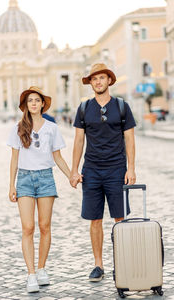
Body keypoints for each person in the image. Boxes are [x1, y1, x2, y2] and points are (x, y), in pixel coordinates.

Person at [70, 63, 136, 282]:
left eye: (101, 78)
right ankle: (98, 264)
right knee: (95, 219)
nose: (98, 82)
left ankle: (123, 262)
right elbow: (79, 140)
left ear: (109, 80)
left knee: (120, 218)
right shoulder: (83, 108)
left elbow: (130, 139)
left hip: (117, 169)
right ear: (91, 83)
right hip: (92, 171)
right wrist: (74, 170)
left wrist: (131, 168)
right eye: (94, 79)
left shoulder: (122, 106)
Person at [7, 86, 70, 293]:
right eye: (30, 101)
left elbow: (57, 157)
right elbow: (14, 159)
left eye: (37, 100)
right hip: (24, 179)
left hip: (45, 179)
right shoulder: (18, 128)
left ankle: (42, 268)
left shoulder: (52, 128)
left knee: (44, 226)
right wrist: (11, 185)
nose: (33, 103)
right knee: (28, 228)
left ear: (43, 104)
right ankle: (31, 274)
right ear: (25, 105)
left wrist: (71, 175)